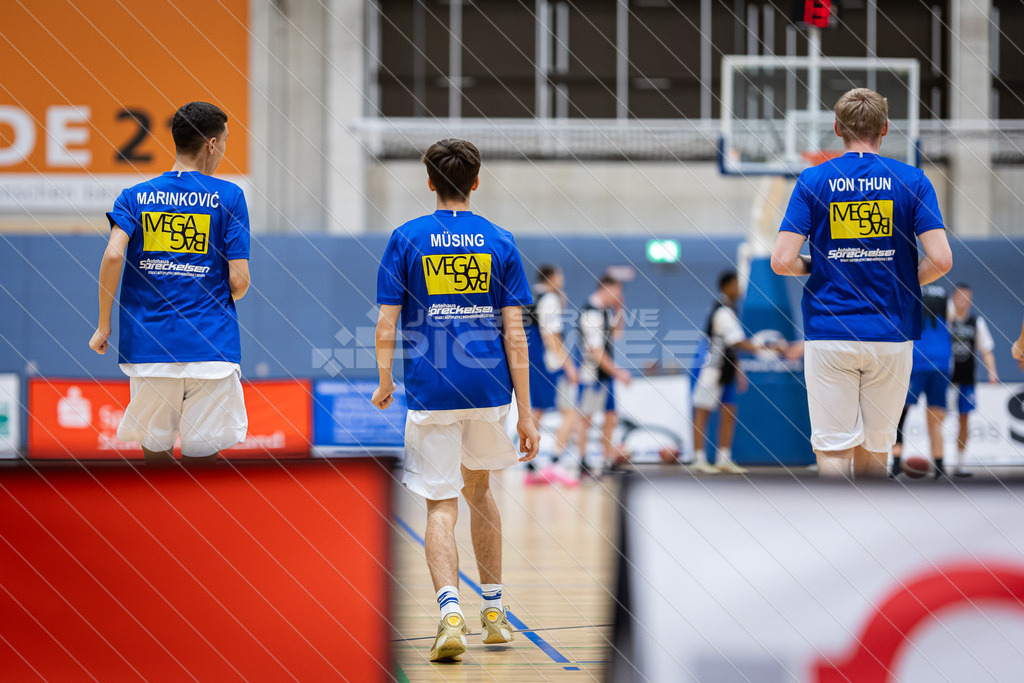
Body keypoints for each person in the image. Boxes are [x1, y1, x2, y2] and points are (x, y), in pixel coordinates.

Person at [372, 138, 539, 663]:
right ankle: (494, 611)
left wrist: (383, 380)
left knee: (440, 505)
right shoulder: (500, 240)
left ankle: (450, 615)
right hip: (490, 388)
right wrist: (527, 411)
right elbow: (517, 335)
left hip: (432, 388)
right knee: (481, 491)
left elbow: (385, 322)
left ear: (429, 183)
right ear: (476, 180)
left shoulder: (406, 238)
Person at [771, 87, 953, 478]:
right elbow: (941, 259)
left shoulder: (813, 180)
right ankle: (872, 538)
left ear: (837, 128)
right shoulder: (913, 181)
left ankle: (835, 537)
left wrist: (819, 267)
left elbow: (782, 261)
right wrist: (904, 281)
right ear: (885, 128)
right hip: (891, 333)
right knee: (876, 451)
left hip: (830, 330)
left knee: (833, 452)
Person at [88, 101, 251, 465]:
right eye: (224, 140)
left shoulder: (134, 196)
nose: (224, 148)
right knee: (201, 465)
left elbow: (114, 256)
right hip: (211, 348)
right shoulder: (230, 197)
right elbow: (239, 281)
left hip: (149, 348)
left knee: (156, 467)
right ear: (211, 144)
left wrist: (103, 325)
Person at [691, 271, 775, 475]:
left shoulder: (731, 309)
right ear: (726, 286)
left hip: (726, 370)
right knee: (703, 411)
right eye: (736, 285)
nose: (739, 289)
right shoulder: (722, 311)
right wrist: (767, 348)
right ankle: (698, 458)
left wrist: (739, 370)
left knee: (729, 411)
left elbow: (732, 348)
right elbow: (737, 341)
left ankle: (723, 458)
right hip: (712, 369)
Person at [523, 264, 581, 486]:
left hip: (532, 360)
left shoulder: (531, 296)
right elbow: (551, 335)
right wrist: (568, 365)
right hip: (549, 363)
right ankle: (555, 460)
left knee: (538, 409)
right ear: (552, 277)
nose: (563, 279)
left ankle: (530, 460)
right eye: (561, 274)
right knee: (568, 411)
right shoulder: (549, 299)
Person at [890, 284, 952, 479]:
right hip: (941, 361)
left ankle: (897, 465)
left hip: (916, 360)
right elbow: (952, 320)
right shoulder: (944, 294)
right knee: (935, 420)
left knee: (898, 417)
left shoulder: (907, 287)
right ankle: (940, 470)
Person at [576, 275, 632, 474]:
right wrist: (619, 372)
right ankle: (582, 459)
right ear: (605, 288)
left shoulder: (604, 312)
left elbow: (617, 333)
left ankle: (608, 460)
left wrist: (620, 307)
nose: (618, 296)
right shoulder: (591, 313)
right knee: (587, 418)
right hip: (592, 374)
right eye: (616, 292)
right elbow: (596, 351)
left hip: (604, 374)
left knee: (610, 417)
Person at [948, 282, 999, 476]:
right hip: (945, 378)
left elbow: (986, 350)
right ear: (953, 298)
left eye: (967, 297)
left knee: (964, 420)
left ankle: (960, 464)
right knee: (937, 417)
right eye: (960, 297)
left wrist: (992, 371)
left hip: (966, 378)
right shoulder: (945, 321)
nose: (964, 301)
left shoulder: (976, 322)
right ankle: (938, 460)